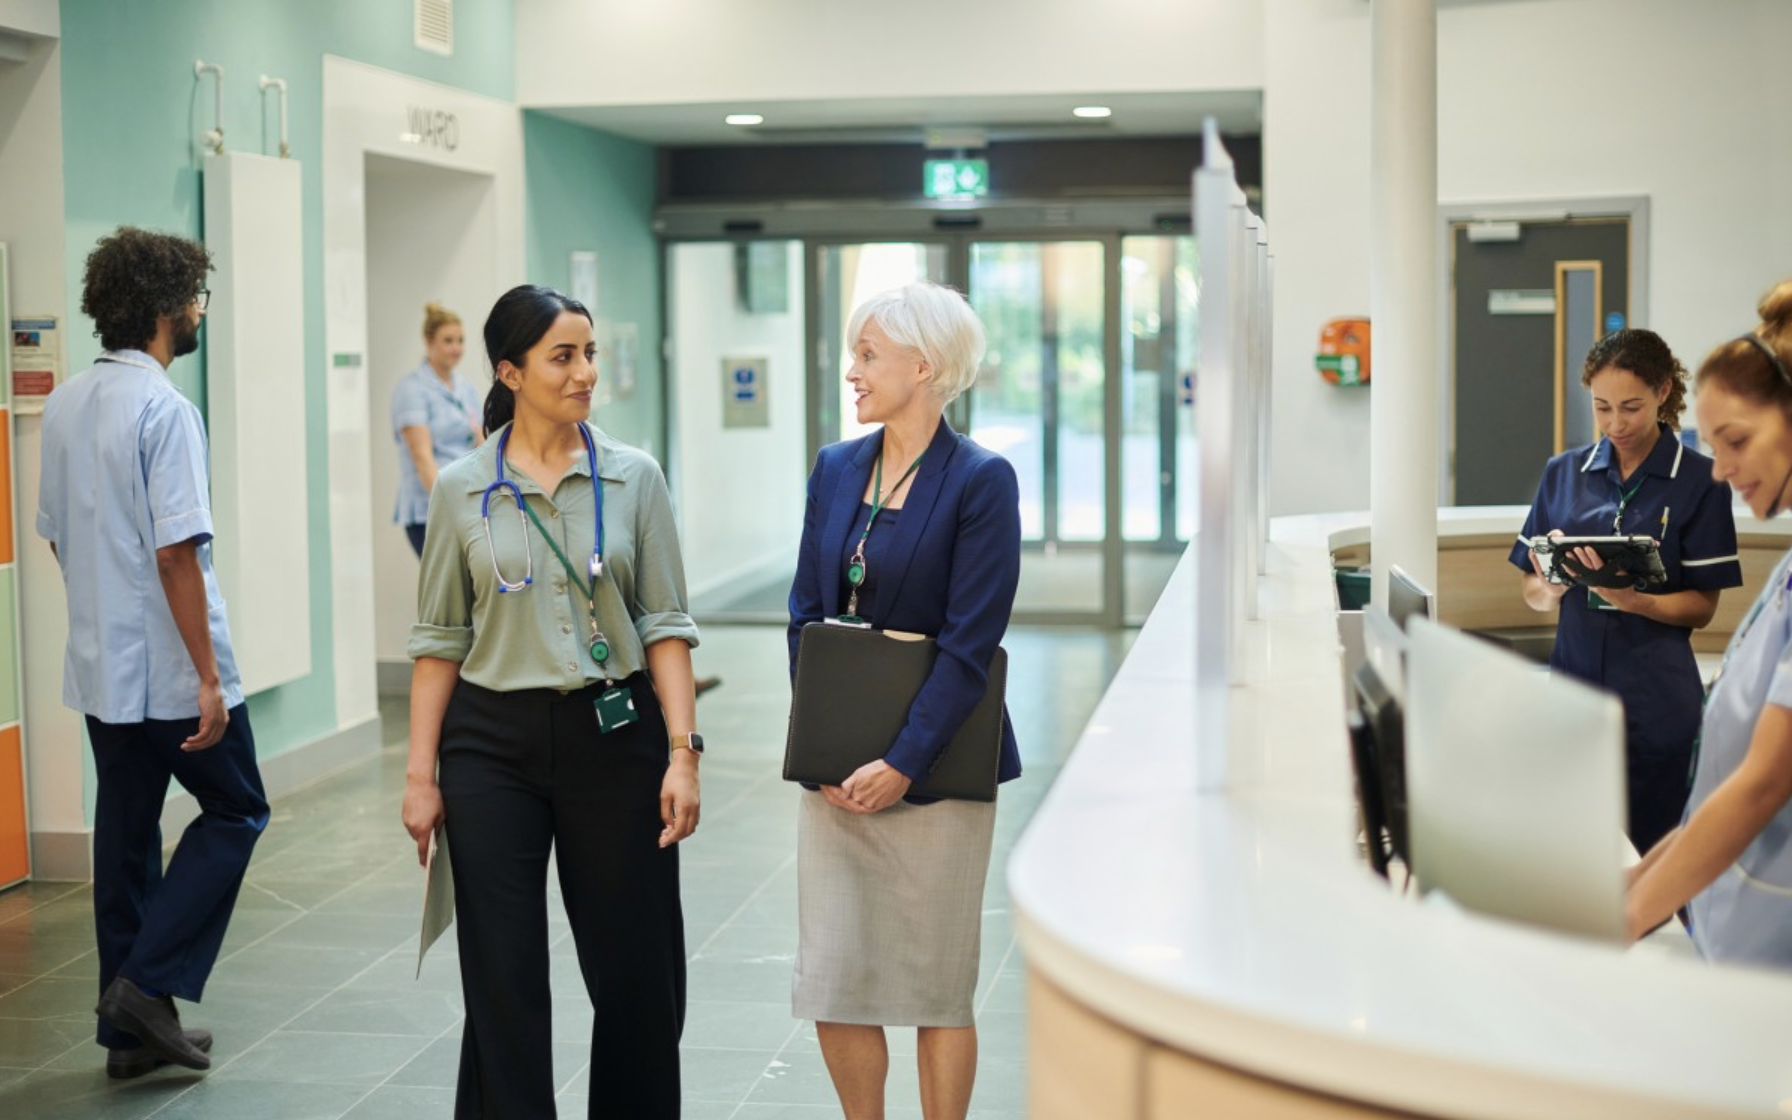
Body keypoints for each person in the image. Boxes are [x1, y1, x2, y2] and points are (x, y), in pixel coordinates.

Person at [401, 284, 701, 1119]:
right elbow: (438, 643)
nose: (584, 373)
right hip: (491, 745)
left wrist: (684, 752)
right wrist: (421, 775)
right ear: (511, 371)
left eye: (590, 354)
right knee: (502, 974)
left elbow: (667, 624)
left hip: (615, 733)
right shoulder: (462, 486)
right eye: (563, 357)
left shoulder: (634, 477)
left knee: (637, 969)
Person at [36, 227, 269, 1077]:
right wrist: (208, 677)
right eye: (198, 296)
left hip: (102, 669)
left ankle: (127, 1041)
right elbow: (177, 553)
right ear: (169, 308)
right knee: (238, 810)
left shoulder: (64, 403)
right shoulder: (166, 410)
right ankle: (142, 983)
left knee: (126, 837)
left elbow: (58, 540)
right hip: (172, 673)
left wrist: (107, 617)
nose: (201, 309)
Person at [787, 282, 1022, 1120]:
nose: (852, 372)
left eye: (868, 356)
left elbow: (969, 646)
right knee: (837, 977)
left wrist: (899, 763)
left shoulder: (980, 481)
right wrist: (820, 747)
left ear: (924, 367)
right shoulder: (836, 467)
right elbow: (803, 614)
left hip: (936, 764)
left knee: (935, 986)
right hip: (837, 771)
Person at [1511, 328, 1742, 854]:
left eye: (1632, 407)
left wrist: (1635, 601)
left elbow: (1703, 608)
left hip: (1657, 703)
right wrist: (1550, 585)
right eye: (1602, 407)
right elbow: (1531, 588)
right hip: (1572, 690)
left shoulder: (1702, 481)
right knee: (1570, 856)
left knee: (1665, 860)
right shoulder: (1562, 473)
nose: (1616, 423)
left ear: (1663, 392)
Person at [1626, 281, 1792, 965]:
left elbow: (1763, 784)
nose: (1719, 471)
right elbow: (1724, 783)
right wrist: (1630, 886)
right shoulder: (1787, 572)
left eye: (1737, 440)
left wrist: (1622, 919)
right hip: (1732, 930)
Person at [392, 301, 484, 556]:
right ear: (429, 342)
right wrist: (448, 511)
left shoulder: (465, 389)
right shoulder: (412, 390)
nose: (456, 348)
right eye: (448, 341)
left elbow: (481, 443)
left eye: (461, 340)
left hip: (466, 504)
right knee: (446, 590)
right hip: (430, 511)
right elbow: (422, 457)